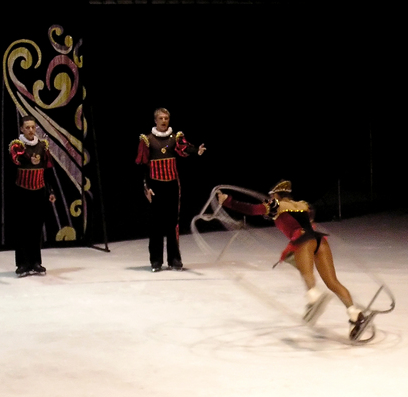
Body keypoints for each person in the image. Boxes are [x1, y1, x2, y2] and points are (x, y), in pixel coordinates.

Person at [217, 179, 367, 340]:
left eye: (272, 196)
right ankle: (355, 314)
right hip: (319, 241)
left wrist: (227, 201)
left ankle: (314, 297)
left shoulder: (276, 205)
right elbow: (304, 220)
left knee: (306, 274)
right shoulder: (303, 205)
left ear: (276, 195)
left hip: (303, 241)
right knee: (332, 282)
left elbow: (251, 209)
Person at [135, 108, 206, 272]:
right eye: (161, 118)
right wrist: (146, 187)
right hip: (155, 186)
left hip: (172, 185)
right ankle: (156, 261)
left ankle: (174, 259)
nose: (164, 121)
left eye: (166, 118)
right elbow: (143, 165)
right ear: (155, 120)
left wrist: (197, 151)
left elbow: (185, 148)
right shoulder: (148, 140)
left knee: (173, 224)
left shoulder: (174, 138)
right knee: (156, 225)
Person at [9, 115, 56, 277]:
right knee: (22, 228)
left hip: (39, 191)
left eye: (33, 127)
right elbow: (15, 162)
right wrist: (28, 158)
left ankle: (36, 262)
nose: (30, 130)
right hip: (22, 192)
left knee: (36, 228)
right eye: (27, 127)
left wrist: (51, 191)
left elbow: (48, 171)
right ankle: (23, 263)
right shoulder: (17, 146)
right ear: (21, 129)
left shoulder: (43, 146)